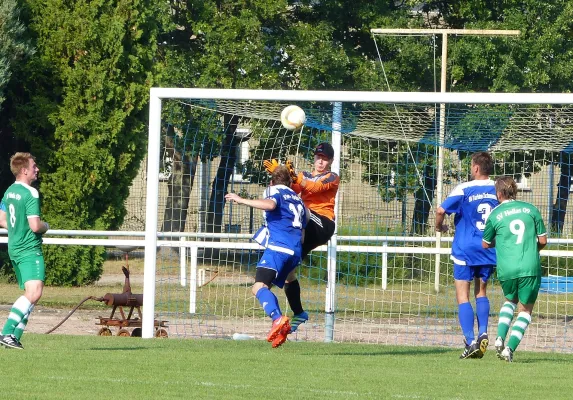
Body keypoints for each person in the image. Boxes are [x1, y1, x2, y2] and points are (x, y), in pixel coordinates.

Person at [225, 165, 308, 348]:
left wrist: (242, 200)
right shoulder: (298, 200)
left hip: (279, 248)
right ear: (290, 183)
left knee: (258, 287)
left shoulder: (274, 190)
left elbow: (270, 204)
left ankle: (278, 319)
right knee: (289, 277)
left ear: (272, 182)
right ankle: (297, 315)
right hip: (295, 251)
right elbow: (302, 233)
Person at [264, 142, 340, 334]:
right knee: (289, 272)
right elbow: (292, 188)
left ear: (330, 161)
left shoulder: (332, 177)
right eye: (318, 157)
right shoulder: (304, 176)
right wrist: (280, 174)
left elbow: (313, 189)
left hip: (323, 223)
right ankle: (299, 313)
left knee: (300, 210)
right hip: (305, 228)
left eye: (324, 159)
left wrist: (296, 177)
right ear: (314, 158)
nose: (320, 161)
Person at [435, 151, 498, 359]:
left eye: (471, 166)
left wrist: (439, 227)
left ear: (476, 168)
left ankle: (470, 341)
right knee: (481, 292)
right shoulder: (498, 189)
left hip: (465, 248)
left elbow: (440, 210)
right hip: (488, 247)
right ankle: (484, 332)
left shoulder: (464, 188)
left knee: (462, 295)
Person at [482, 176, 547, 362]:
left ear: (499, 193)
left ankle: (500, 336)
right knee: (525, 310)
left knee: (510, 301)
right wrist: (532, 251)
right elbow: (542, 240)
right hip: (529, 267)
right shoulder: (531, 210)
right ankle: (509, 349)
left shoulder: (495, 214)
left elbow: (485, 244)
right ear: (515, 191)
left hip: (507, 268)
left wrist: (502, 242)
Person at [0, 152, 50, 350]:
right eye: (34, 166)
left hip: (14, 248)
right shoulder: (31, 193)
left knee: (31, 293)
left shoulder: (9, 191)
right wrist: (47, 225)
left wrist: (16, 229)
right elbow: (36, 226)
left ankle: (14, 336)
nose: (36, 169)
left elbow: (2, 220)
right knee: (34, 292)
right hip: (29, 248)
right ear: (24, 170)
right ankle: (6, 332)